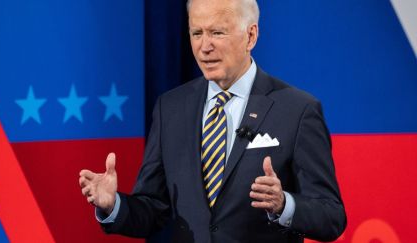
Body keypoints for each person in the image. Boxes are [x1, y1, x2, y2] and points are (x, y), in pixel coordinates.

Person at [79, 0, 347, 242]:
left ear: (250, 36)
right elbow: (154, 208)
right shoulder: (170, 107)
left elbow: (331, 216)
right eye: (197, 33)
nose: (204, 47)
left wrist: (284, 204)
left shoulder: (297, 109)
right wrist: (113, 205)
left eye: (217, 32)